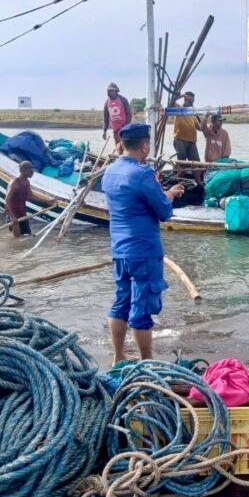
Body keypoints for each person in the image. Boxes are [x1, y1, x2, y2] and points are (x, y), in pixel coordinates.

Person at [102, 123, 185, 363]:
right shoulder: (142, 174)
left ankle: (119, 356)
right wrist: (170, 194)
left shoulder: (109, 172)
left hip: (119, 249)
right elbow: (164, 212)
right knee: (141, 308)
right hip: (143, 250)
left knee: (121, 302)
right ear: (145, 146)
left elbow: (134, 202)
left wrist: (166, 192)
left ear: (121, 144)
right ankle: (147, 362)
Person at [173, 91, 203, 183]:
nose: (191, 102)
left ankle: (199, 182)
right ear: (185, 99)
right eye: (190, 100)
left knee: (196, 163)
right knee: (182, 163)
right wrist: (182, 95)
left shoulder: (192, 113)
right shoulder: (178, 107)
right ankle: (180, 182)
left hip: (192, 142)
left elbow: (199, 128)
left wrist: (206, 123)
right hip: (180, 140)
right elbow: (171, 101)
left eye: (192, 101)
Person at [4, 161, 37, 237]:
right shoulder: (15, 183)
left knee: (28, 235)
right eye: (31, 171)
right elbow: (7, 200)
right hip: (13, 214)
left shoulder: (27, 182)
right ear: (23, 170)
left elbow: (31, 196)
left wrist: (48, 201)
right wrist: (12, 217)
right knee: (17, 239)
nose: (32, 173)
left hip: (22, 213)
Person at [102, 82, 132, 149]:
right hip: (115, 130)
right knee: (118, 148)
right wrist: (104, 131)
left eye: (113, 91)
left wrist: (126, 127)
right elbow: (106, 118)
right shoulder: (107, 103)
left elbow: (129, 114)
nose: (111, 93)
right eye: (110, 91)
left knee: (125, 147)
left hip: (124, 128)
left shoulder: (123, 100)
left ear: (116, 91)